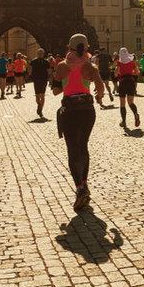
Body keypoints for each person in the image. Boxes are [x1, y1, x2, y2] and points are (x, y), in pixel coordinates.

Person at [51, 34, 105, 212]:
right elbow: (100, 87)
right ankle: (84, 183)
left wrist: (64, 83)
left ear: (69, 47)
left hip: (70, 111)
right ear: (86, 47)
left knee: (72, 149)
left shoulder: (61, 66)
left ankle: (80, 188)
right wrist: (98, 95)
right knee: (83, 147)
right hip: (87, 111)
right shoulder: (90, 66)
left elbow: (56, 91)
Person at [115, 47, 141, 127]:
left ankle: (124, 121)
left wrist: (117, 74)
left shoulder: (119, 62)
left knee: (122, 103)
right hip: (131, 82)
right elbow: (137, 72)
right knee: (131, 102)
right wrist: (131, 72)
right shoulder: (132, 62)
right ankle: (135, 114)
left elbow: (116, 72)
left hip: (123, 82)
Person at [28, 48, 53, 118]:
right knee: (42, 95)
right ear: (43, 54)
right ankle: (40, 109)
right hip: (43, 79)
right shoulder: (46, 62)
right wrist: (48, 76)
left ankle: (39, 105)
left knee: (38, 95)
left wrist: (30, 75)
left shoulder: (33, 61)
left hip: (36, 79)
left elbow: (29, 68)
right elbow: (49, 70)